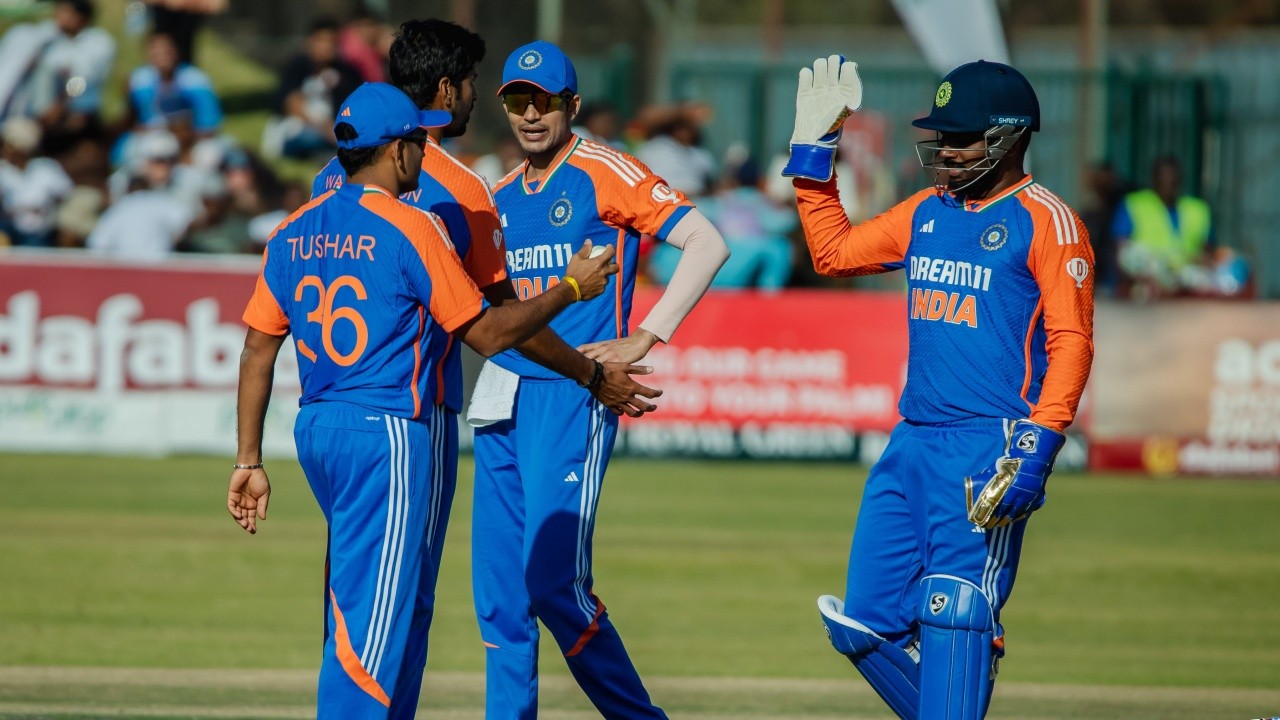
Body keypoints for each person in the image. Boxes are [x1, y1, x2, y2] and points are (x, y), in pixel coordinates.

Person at [226, 81, 620, 718]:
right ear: (399, 151)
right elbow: (488, 333)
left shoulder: (292, 229)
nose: (421, 154)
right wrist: (570, 288)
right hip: (385, 433)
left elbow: (257, 350)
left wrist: (248, 459)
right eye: (416, 142)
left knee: (368, 602)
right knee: (373, 627)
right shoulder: (412, 226)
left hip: (317, 429)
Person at [309, 21, 662, 717]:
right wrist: (589, 363)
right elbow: (501, 325)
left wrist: (249, 451)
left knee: (351, 598)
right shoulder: (465, 188)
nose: (478, 99)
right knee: (403, 600)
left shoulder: (333, 175)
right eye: (473, 84)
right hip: (411, 412)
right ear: (446, 89)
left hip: (324, 410)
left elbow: (270, 321)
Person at [782, 57, 1094, 718]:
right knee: (862, 623)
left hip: (989, 445)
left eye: (962, 138)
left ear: (1010, 136)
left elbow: (1071, 341)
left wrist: (1039, 447)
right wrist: (812, 157)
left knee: (956, 612)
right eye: (941, 137)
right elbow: (834, 253)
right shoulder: (928, 209)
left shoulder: (1047, 221)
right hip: (912, 442)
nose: (946, 151)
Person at [471, 40, 729, 720]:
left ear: (573, 105)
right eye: (518, 101)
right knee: (500, 601)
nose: (531, 115)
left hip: (571, 391)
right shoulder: (497, 195)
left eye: (545, 101)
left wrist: (647, 335)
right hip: (499, 395)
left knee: (554, 585)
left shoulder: (604, 169)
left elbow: (707, 242)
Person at [650, 156, 796, 290]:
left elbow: (689, 211)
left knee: (669, 247)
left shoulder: (720, 200)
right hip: (745, 268)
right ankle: (770, 294)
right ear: (760, 181)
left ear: (732, 180)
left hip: (714, 264)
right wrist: (781, 203)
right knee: (780, 246)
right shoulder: (762, 202)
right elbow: (787, 221)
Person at [1113, 155, 1246, 298]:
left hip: (1188, 277)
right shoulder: (1134, 204)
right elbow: (1121, 251)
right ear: (1154, 180)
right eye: (1164, 178)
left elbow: (1208, 251)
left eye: (1173, 179)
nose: (1168, 184)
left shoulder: (1197, 209)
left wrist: (1207, 260)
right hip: (1149, 276)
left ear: (1181, 180)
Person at [263, 17, 363, 160]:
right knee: (310, 139)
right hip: (294, 131)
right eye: (322, 41)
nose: (326, 47)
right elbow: (293, 105)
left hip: (330, 132)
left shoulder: (345, 73)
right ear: (310, 41)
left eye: (332, 42)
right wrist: (327, 130)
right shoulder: (297, 65)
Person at [125, 31, 223, 137]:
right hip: (153, 137)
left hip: (194, 138)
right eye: (155, 53)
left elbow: (209, 124)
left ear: (176, 51)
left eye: (166, 52)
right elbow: (136, 120)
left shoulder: (195, 81)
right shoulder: (139, 81)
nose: (162, 57)